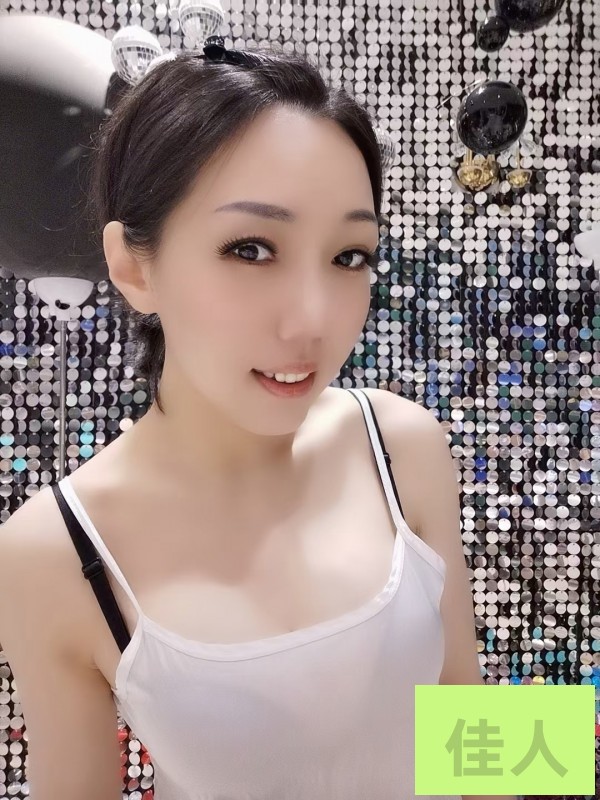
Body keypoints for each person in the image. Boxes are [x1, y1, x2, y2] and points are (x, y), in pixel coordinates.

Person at [0, 43, 491, 800]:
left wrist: (574, 755)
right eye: (251, 249)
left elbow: (469, 716)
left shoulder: (401, 444)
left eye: (349, 257)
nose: (312, 320)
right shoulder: (52, 550)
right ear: (134, 266)